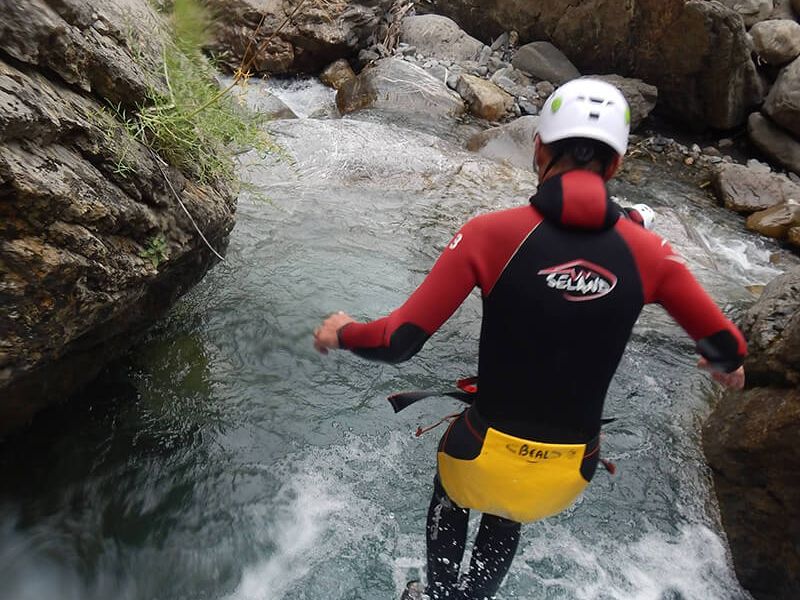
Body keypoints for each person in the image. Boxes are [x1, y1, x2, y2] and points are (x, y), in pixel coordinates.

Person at [313, 78, 746, 600]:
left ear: (538, 147)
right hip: (566, 476)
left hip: (479, 459)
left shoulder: (490, 233)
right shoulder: (652, 254)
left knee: (466, 484)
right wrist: (726, 364)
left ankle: (437, 595)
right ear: (616, 165)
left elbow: (399, 341)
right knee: (510, 504)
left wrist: (343, 332)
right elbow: (726, 344)